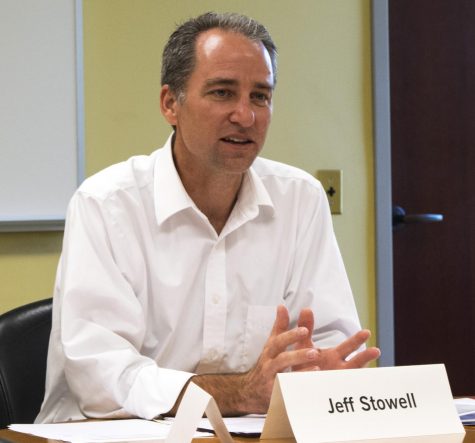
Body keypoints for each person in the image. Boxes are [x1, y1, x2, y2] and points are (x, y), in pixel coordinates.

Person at [36, 12, 380, 423]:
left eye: (260, 96)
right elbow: (103, 382)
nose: (245, 115)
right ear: (170, 104)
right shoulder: (106, 205)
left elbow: (327, 341)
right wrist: (242, 391)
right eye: (222, 93)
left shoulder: (300, 199)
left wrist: (320, 372)